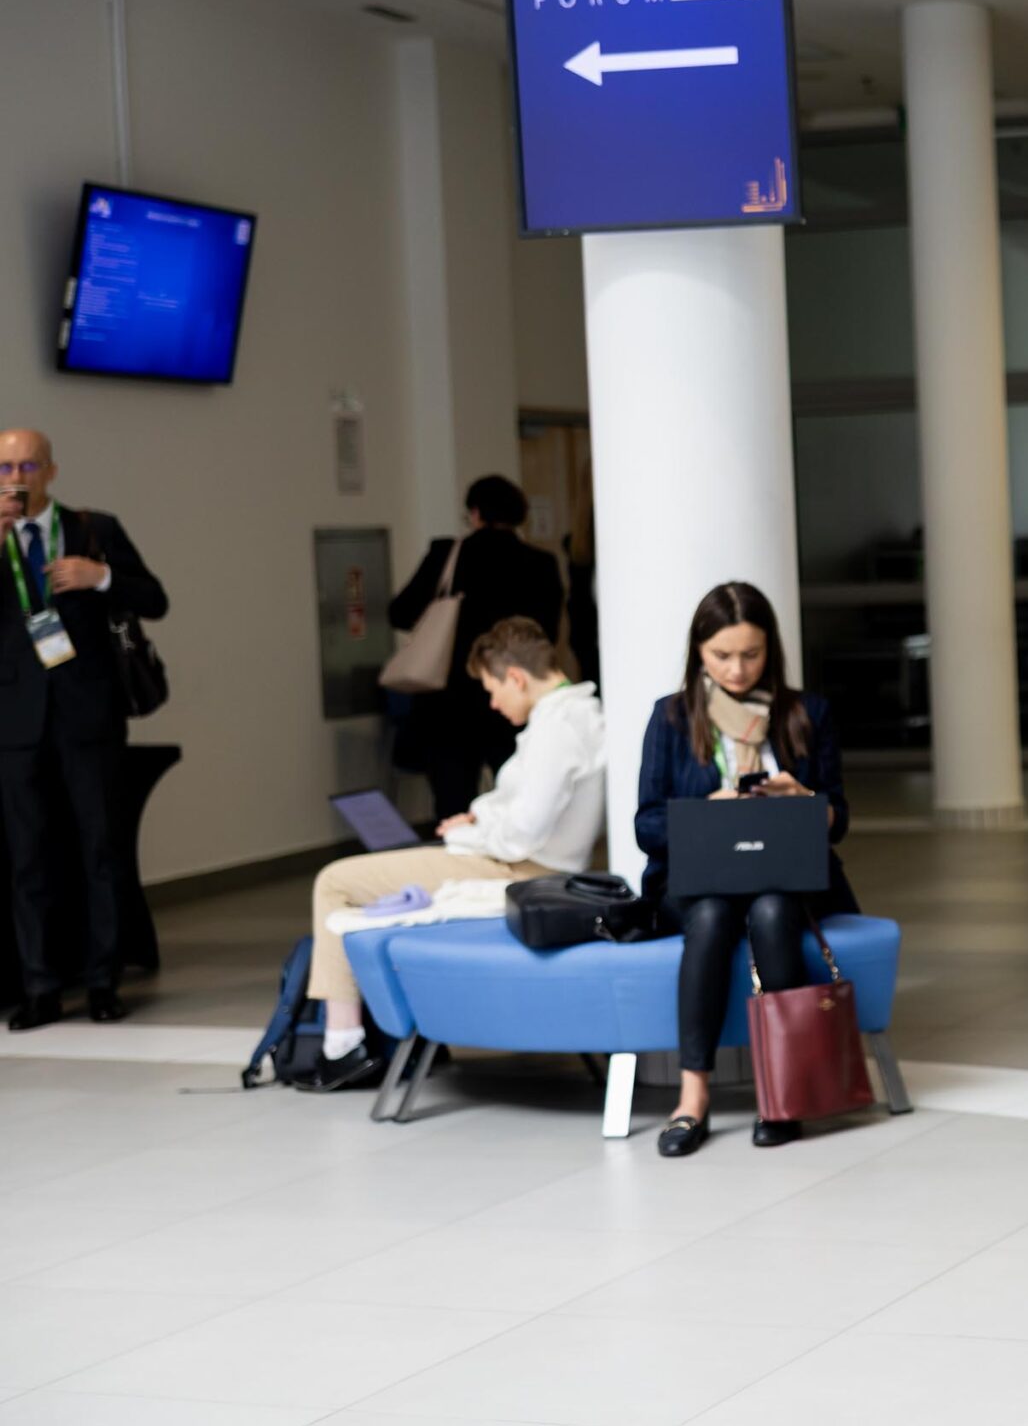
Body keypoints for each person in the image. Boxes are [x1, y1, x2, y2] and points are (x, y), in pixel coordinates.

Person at [299, 619, 606, 1089]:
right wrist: (479, 820)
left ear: (516, 678)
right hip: (519, 861)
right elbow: (526, 814)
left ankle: (343, 1047)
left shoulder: (557, 729)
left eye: (492, 690)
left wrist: (472, 831)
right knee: (363, 880)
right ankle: (393, 1034)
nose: (493, 703)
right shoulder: (575, 715)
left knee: (335, 882)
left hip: (514, 868)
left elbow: (522, 834)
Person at [636, 582, 856, 1158]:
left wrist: (804, 800)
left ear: (770, 650)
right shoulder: (671, 717)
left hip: (783, 877)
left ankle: (781, 1092)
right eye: (722, 655)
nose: (737, 670)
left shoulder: (807, 713)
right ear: (699, 652)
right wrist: (706, 812)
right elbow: (646, 825)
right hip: (697, 882)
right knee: (711, 915)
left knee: (773, 908)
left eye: (751, 655)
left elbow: (838, 820)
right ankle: (692, 1096)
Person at [0, 429, 166, 1030]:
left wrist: (101, 578)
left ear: (51, 470)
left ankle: (102, 981)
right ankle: (41, 987)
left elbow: (155, 600)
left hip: (88, 714)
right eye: (4, 467)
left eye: (28, 465)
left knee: (101, 850)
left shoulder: (95, 530)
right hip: (16, 720)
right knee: (29, 858)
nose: (16, 478)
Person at [390, 475, 566, 821]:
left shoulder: (447, 556)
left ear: (475, 513)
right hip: (513, 697)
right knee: (519, 800)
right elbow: (549, 633)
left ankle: (459, 855)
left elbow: (400, 613)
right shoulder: (540, 563)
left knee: (453, 807)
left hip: (449, 705)